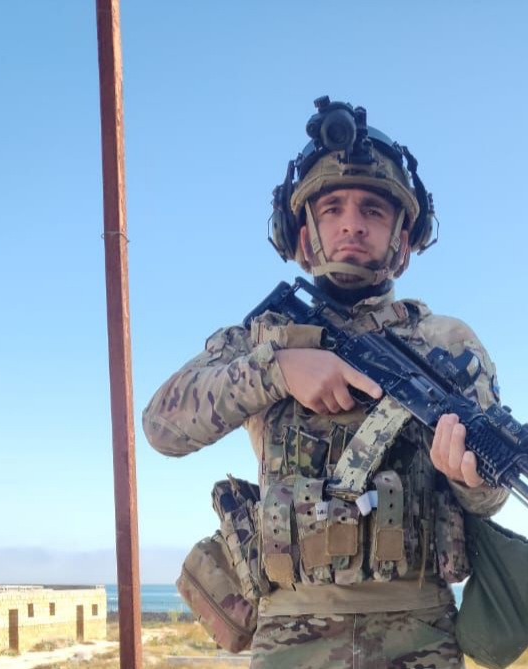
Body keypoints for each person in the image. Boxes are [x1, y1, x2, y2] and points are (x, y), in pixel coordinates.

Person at [143, 96, 509, 669]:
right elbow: (162, 427)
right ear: (303, 234)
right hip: (290, 635)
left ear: (402, 239)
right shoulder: (265, 337)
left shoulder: (446, 342)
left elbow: (492, 496)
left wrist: (470, 480)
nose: (352, 224)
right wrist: (278, 370)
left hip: (418, 634)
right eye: (332, 207)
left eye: (374, 210)